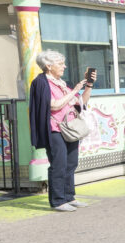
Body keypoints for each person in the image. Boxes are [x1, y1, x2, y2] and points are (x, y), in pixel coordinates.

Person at [29, 50, 96, 212]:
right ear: (48, 66)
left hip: (70, 128)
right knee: (58, 164)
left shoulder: (61, 83)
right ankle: (57, 201)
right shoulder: (41, 82)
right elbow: (54, 105)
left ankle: (69, 197)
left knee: (71, 163)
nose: (64, 66)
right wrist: (74, 90)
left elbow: (80, 103)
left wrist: (88, 85)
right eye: (60, 63)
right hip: (54, 128)